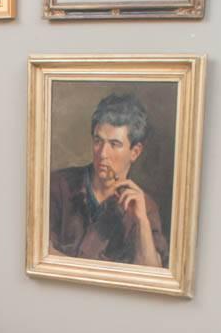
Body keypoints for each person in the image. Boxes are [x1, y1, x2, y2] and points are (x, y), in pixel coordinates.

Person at [49, 93, 168, 268]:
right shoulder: (59, 185)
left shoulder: (146, 207)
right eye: (98, 141)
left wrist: (141, 221)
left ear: (135, 152)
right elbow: (38, 252)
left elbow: (151, 273)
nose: (103, 153)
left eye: (114, 144)